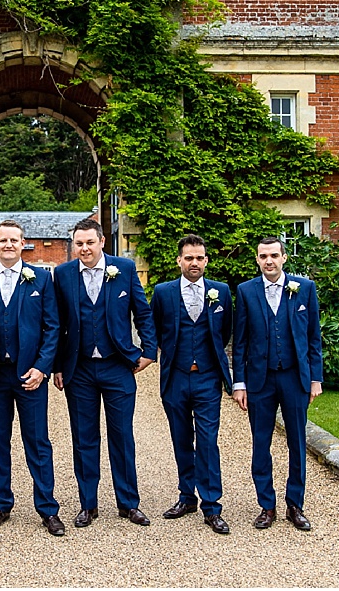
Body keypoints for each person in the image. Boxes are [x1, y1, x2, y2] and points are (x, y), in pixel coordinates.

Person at [51, 218, 157, 528]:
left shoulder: (123, 269)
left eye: (89, 242)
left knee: (122, 436)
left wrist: (148, 351)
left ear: (101, 243)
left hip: (117, 365)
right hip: (79, 368)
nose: (84, 248)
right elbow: (57, 322)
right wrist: (57, 365)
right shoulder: (63, 274)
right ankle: (88, 504)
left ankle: (128, 504)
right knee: (84, 438)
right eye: (79, 244)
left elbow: (143, 312)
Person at [0, 219, 65, 535]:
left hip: (30, 375)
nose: (8, 245)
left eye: (13, 240)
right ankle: (0, 505)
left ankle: (47, 509)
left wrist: (42, 367)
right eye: (2, 240)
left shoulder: (41, 280)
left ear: (24, 244)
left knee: (38, 442)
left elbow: (52, 328)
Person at [232, 235, 324, 531]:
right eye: (263, 256)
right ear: (257, 259)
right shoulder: (246, 291)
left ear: (283, 257)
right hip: (260, 379)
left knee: (298, 442)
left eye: (273, 255)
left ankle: (295, 504)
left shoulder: (304, 289)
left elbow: (313, 338)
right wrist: (239, 383)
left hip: (295, 377)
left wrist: (315, 378)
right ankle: (266, 505)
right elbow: (241, 342)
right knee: (261, 443)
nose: (268, 261)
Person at [148, 234, 237, 534]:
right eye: (189, 258)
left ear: (206, 260)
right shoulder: (163, 293)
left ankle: (212, 506)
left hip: (208, 379)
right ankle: (187, 497)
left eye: (199, 258)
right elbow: (156, 329)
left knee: (208, 441)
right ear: (179, 261)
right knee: (181, 439)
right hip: (175, 378)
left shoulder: (221, 292)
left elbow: (224, 332)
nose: (194, 263)